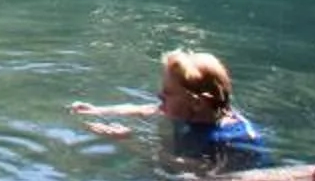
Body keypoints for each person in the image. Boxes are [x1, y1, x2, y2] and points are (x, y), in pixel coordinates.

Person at [71, 49, 266, 159]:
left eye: (167, 95)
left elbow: (196, 173)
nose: (159, 97)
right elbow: (145, 109)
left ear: (198, 103)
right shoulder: (192, 110)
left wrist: (131, 142)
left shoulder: (231, 141)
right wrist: (96, 110)